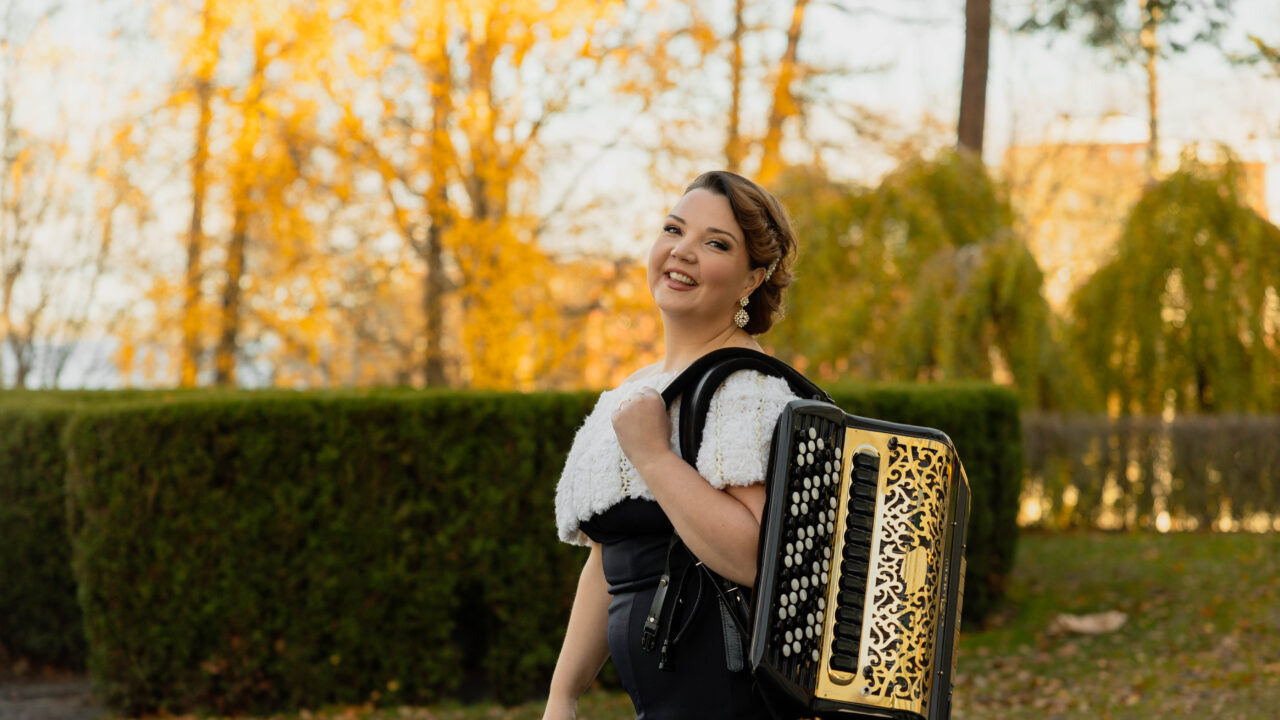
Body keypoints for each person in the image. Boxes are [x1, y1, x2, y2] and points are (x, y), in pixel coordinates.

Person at [544, 171, 801, 720]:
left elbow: (754, 556)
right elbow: (608, 558)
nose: (682, 252)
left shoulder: (745, 390)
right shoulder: (633, 393)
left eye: (715, 243)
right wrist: (562, 697)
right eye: (673, 229)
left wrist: (655, 457)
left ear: (752, 278)